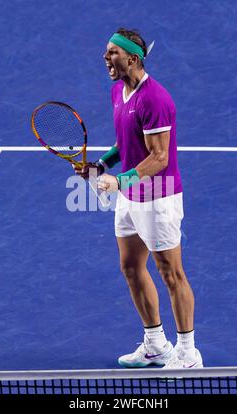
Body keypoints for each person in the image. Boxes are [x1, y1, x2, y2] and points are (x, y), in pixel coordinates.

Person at [75, 28, 203, 369]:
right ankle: (156, 345)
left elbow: (159, 157)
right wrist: (101, 164)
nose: (106, 58)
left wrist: (119, 181)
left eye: (113, 53)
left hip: (158, 195)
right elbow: (126, 142)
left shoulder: (156, 99)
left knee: (170, 272)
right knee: (131, 267)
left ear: (134, 58)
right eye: (106, 52)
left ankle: (188, 353)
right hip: (131, 195)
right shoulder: (119, 91)